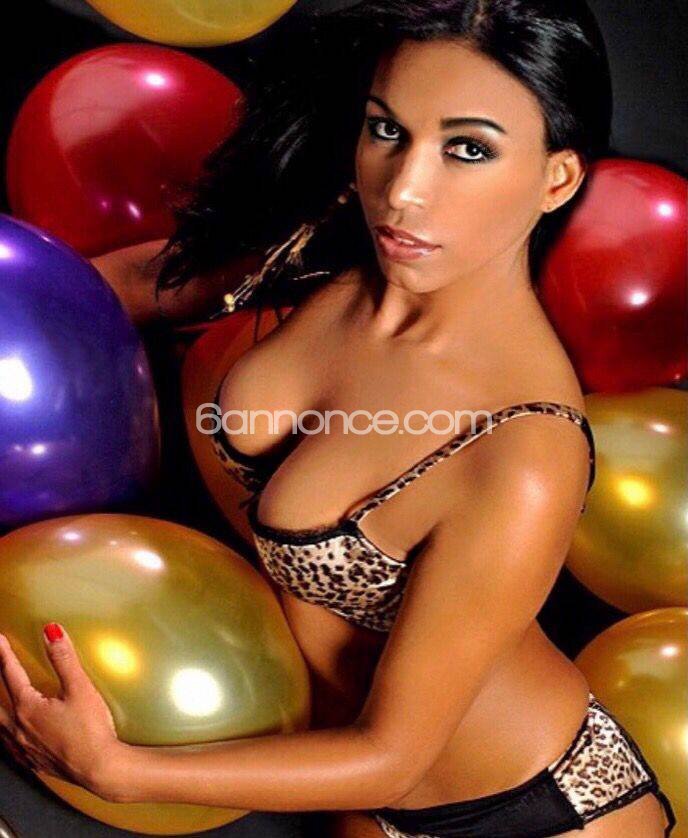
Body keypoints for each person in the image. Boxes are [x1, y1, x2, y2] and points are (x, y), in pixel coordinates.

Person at [0, 1, 677, 836]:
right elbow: (126, 288)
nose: (405, 190)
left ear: (557, 179)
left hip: (527, 810)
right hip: (344, 780)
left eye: (468, 149)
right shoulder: (329, 249)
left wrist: (117, 771)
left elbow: (393, 753)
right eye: (388, 130)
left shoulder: (523, 446)